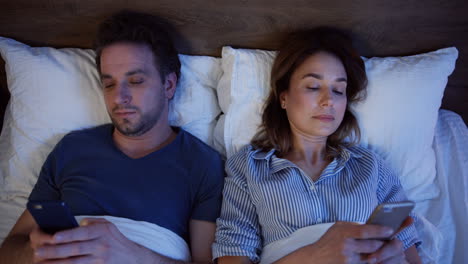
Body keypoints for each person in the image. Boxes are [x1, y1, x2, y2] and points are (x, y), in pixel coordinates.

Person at [0, 10, 224, 264]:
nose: (119, 97)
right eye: (109, 84)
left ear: (169, 85)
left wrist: (133, 254)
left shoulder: (202, 164)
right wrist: (39, 252)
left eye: (136, 81)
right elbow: (8, 250)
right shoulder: (71, 149)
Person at [212, 28, 422, 264]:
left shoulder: (371, 166)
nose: (329, 100)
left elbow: (408, 250)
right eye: (313, 87)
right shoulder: (249, 167)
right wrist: (313, 256)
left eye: (338, 90)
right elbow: (234, 254)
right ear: (284, 97)